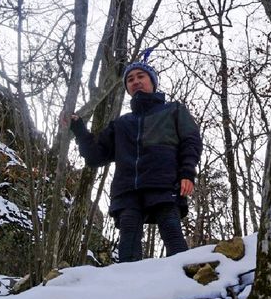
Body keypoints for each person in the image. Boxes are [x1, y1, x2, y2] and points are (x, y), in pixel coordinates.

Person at [69, 59, 202, 262]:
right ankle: (128, 290)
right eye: (130, 79)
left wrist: (187, 173)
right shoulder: (121, 124)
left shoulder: (173, 110)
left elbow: (190, 141)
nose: (136, 81)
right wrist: (78, 129)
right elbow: (95, 156)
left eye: (141, 76)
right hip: (127, 190)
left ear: (152, 82)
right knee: (128, 242)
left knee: (172, 233)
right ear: (127, 88)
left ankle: (187, 283)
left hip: (164, 183)